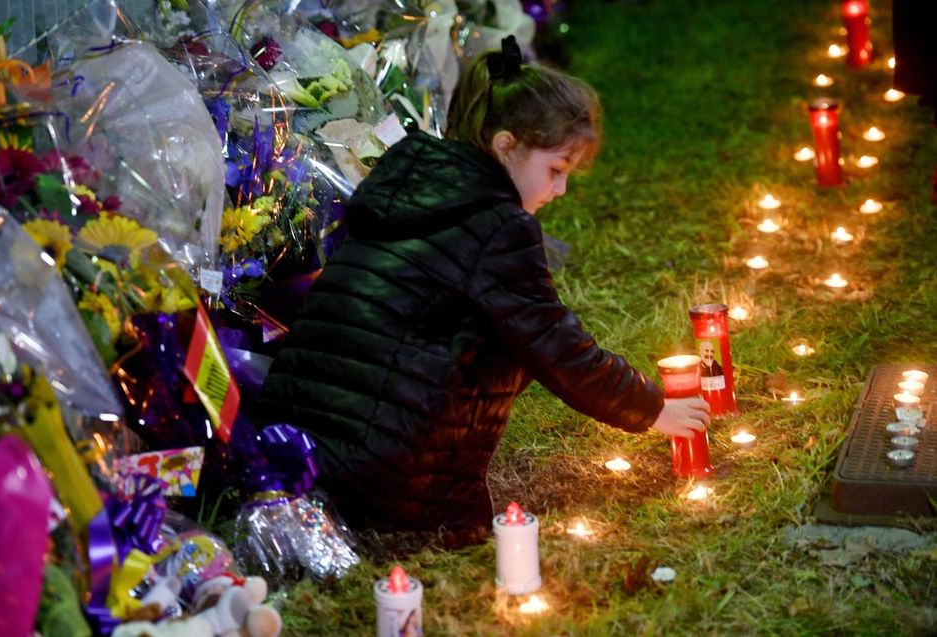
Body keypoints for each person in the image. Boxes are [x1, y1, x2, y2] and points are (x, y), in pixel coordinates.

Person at [249, 36, 710, 543]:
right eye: (556, 171)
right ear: (506, 146)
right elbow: (556, 348)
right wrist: (654, 409)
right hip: (384, 479)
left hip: (292, 446)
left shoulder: (413, 188)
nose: (561, 191)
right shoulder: (496, 226)